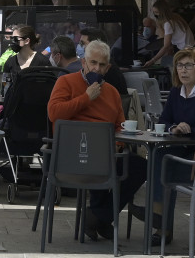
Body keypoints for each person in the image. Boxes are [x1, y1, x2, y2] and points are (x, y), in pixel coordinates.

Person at [47, 39, 148, 241]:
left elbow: (120, 125)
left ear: (108, 68)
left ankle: (97, 217)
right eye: (93, 63)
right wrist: (86, 97)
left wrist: (119, 142)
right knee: (103, 163)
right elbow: (54, 114)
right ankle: (99, 219)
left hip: (105, 155)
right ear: (83, 62)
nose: (96, 68)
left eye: (102, 65)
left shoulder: (111, 92)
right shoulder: (65, 82)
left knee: (139, 166)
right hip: (71, 155)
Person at [139, 47, 195, 244]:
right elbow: (164, 120)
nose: (183, 70)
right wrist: (174, 129)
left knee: (163, 164)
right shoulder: (175, 93)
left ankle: (159, 222)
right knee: (158, 156)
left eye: (189, 65)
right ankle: (159, 220)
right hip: (187, 151)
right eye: (179, 65)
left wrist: (187, 129)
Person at [145, 0, 195, 69]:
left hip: (185, 51)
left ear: (163, 12)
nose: (156, 15)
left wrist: (152, 60)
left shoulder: (168, 24)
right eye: (154, 12)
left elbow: (166, 46)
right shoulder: (176, 17)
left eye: (157, 12)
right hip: (191, 47)